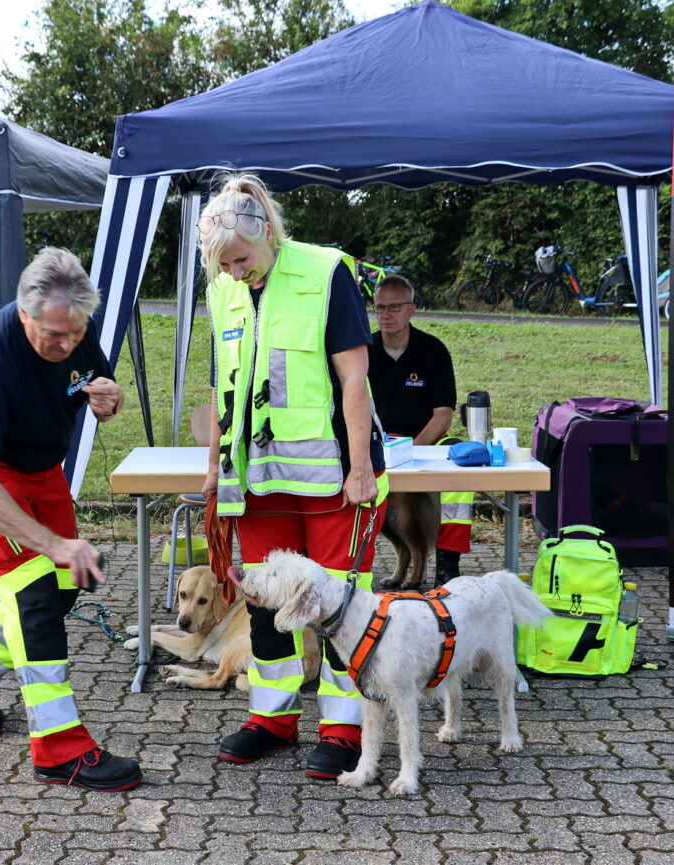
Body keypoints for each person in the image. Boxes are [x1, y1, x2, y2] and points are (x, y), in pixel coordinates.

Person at [197, 173, 388, 779]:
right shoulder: (223, 290)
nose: (234, 272)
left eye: (241, 260)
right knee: (261, 602)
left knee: (335, 605)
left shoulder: (326, 272)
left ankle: (343, 730)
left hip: (335, 477)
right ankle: (271, 719)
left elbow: (354, 379)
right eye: (223, 265)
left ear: (268, 234)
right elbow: (221, 384)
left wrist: (360, 470)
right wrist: (212, 468)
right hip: (256, 478)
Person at [0, 247, 142, 791]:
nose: (67, 344)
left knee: (65, 585)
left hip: (42, 467)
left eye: (75, 333)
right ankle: (59, 751)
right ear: (24, 313)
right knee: (34, 598)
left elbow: (97, 384)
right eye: (53, 335)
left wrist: (108, 400)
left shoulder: (71, 322)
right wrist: (51, 542)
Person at [366, 275, 472, 586]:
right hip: (376, 445)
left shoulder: (433, 351)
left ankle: (447, 564)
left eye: (394, 307)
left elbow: (443, 415)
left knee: (459, 476)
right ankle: (393, 565)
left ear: (412, 309)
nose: (386, 314)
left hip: (426, 444)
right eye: (379, 308)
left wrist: (409, 452)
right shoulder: (364, 350)